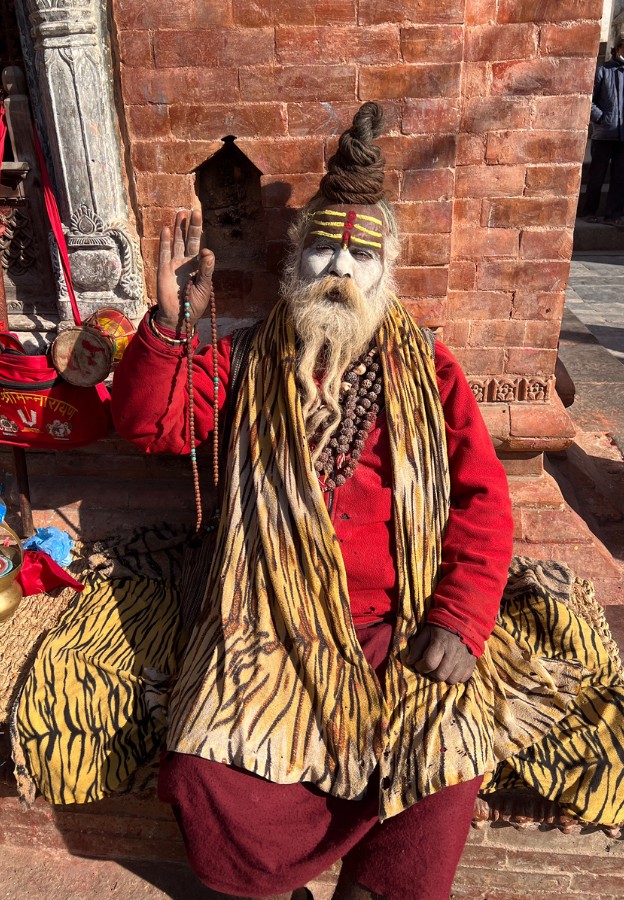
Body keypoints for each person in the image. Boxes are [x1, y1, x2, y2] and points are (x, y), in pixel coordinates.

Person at [108, 104, 624, 899]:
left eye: (360, 256)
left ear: (387, 273)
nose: (340, 271)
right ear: (293, 265)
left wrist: (461, 616)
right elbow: (155, 427)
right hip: (265, 627)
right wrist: (171, 325)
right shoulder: (246, 355)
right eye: (322, 250)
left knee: (444, 759)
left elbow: (483, 502)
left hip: (399, 623)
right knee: (205, 769)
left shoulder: (433, 374)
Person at [583, 37, 624, 225]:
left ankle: (613, 215)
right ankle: (589, 211)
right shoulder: (603, 70)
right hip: (603, 133)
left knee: (619, 176)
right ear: (618, 49)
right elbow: (588, 100)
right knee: (596, 175)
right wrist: (601, 118)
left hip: (622, 136)